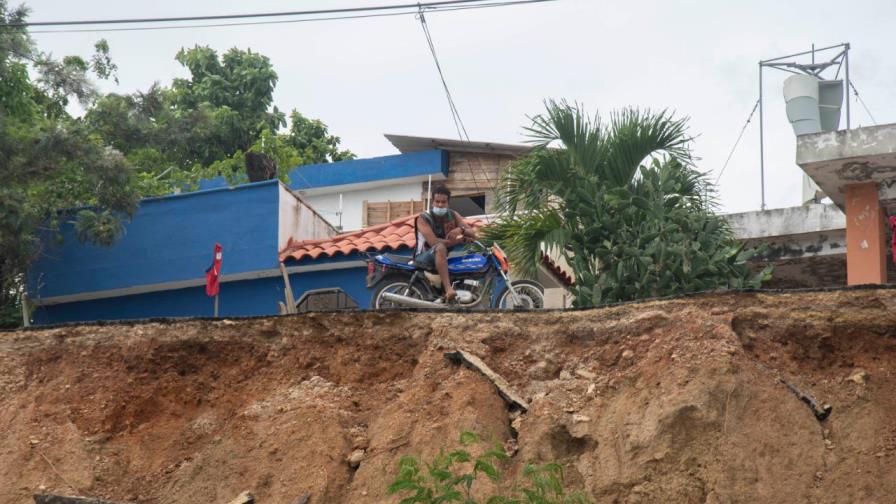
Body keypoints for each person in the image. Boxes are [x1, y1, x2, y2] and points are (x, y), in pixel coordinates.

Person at [414, 185, 477, 301]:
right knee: (440, 247)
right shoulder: (423, 218)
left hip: (442, 257)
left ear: (448, 203)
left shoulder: (453, 215)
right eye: (437, 201)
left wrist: (460, 230)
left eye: (443, 202)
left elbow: (472, 233)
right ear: (432, 202)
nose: (440, 205)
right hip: (424, 256)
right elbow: (434, 242)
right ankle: (448, 289)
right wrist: (460, 240)